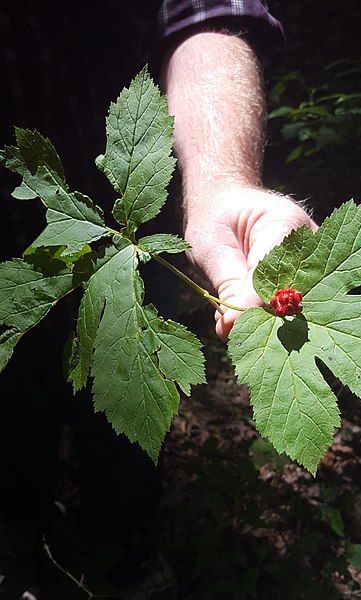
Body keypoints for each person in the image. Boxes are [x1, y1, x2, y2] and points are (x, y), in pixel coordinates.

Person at [0, 1, 316, 595]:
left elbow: (206, 13)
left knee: (124, 443)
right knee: (10, 435)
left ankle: (126, 556)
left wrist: (226, 185)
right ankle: (22, 547)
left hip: (136, 262)